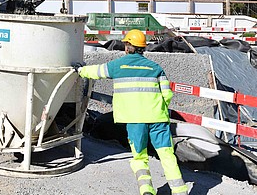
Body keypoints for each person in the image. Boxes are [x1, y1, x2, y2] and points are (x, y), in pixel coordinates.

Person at [73, 29, 188, 195]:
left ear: (127, 46)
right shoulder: (156, 68)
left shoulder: (118, 66)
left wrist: (80, 70)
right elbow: (167, 94)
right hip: (158, 118)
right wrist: (158, 108)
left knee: (140, 156)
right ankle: (179, 191)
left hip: (134, 120)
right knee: (166, 154)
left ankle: (146, 190)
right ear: (143, 48)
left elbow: (96, 71)